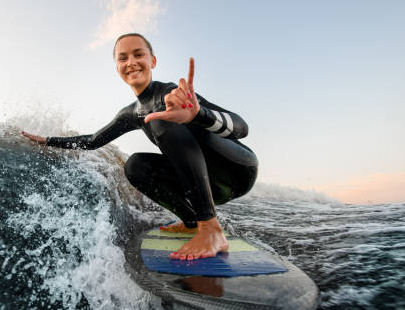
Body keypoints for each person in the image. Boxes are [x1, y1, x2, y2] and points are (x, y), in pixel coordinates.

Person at [21, 33, 258, 260]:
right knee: (135, 166)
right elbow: (93, 141)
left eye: (138, 55)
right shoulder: (130, 113)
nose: (131, 62)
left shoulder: (171, 93)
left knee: (161, 120)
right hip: (209, 186)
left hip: (237, 170)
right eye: (123, 58)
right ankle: (192, 223)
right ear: (117, 68)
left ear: (152, 61)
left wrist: (198, 114)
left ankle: (210, 230)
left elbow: (242, 128)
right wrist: (47, 140)